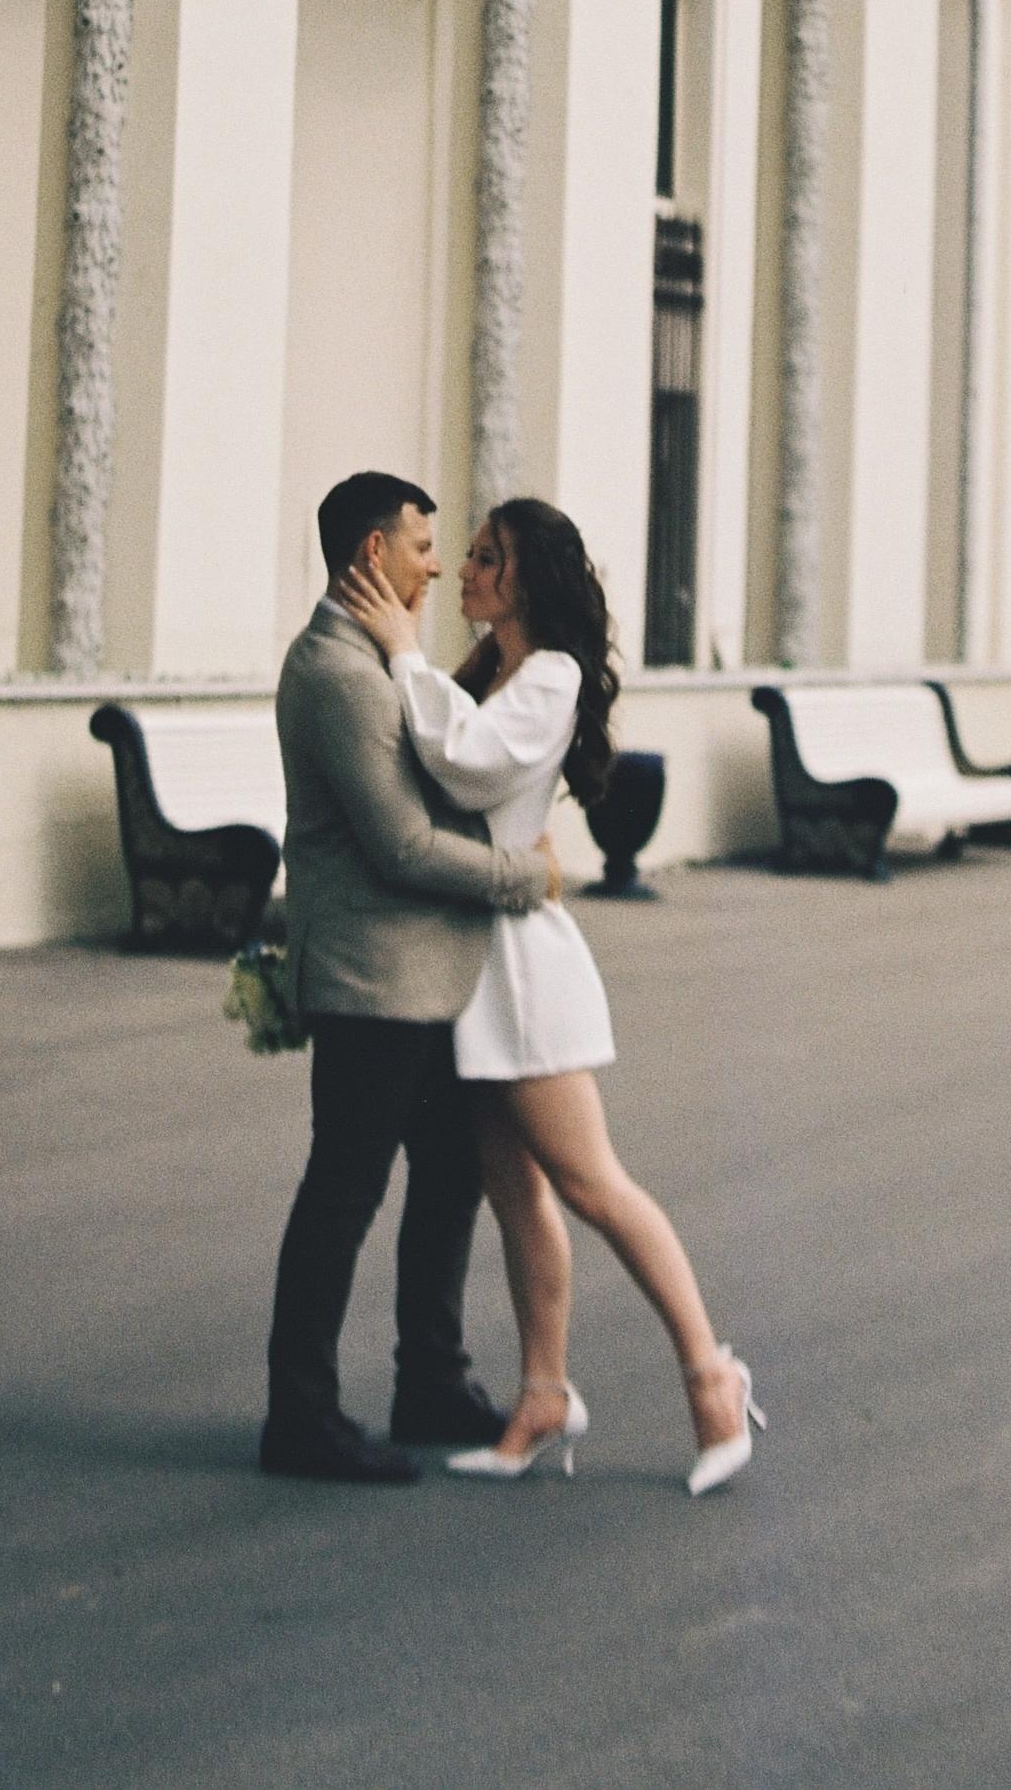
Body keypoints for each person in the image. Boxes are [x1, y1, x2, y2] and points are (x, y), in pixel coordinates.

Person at [336, 494, 764, 1496]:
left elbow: (470, 763)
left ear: (525, 579)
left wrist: (401, 650)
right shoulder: (497, 670)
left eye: (485, 557)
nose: (463, 572)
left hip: (524, 970)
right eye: (466, 553)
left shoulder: (554, 675)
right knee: (517, 1189)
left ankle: (712, 1375)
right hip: (480, 967)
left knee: (592, 1183)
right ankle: (541, 1396)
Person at [261, 470, 562, 1487]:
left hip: (425, 976)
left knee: (448, 1174)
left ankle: (429, 1379)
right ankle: (299, 1417)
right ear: (370, 557)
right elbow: (399, 843)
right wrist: (524, 878)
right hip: (371, 977)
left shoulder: (378, 661)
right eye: (421, 545)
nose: (435, 564)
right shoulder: (339, 674)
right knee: (344, 1189)